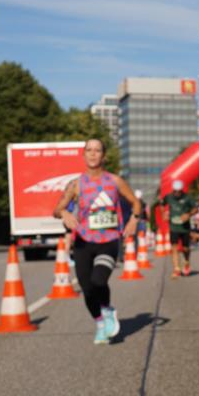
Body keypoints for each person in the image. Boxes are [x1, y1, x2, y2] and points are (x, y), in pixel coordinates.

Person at [54, 138, 140, 345]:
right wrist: (64, 212)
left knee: (98, 280)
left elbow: (135, 203)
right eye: (89, 150)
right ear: (83, 155)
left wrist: (134, 220)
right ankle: (100, 323)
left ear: (104, 155)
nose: (93, 154)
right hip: (84, 242)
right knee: (87, 288)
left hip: (108, 240)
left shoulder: (115, 181)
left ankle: (108, 309)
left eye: (97, 150)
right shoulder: (75, 184)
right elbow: (57, 209)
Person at [163, 179, 195, 278]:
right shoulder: (168, 197)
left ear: (182, 190)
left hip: (185, 227)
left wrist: (188, 214)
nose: (177, 193)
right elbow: (161, 205)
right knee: (174, 247)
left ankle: (186, 261)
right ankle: (176, 268)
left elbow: (196, 208)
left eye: (179, 191)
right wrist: (164, 213)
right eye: (175, 191)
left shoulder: (188, 198)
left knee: (185, 248)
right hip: (174, 227)